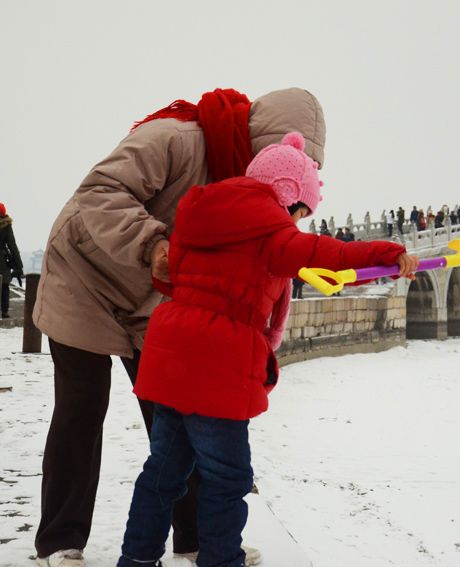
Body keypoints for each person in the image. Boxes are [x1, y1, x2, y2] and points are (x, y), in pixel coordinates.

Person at [32, 87, 326, 567]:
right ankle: (60, 541)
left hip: (154, 294)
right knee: (81, 408)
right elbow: (99, 191)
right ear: (261, 140)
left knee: (184, 409)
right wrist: (154, 244)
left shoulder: (251, 187)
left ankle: (193, 540)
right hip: (83, 275)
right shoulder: (173, 138)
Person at [117, 132, 418, 567]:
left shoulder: (200, 216)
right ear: (290, 196)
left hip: (169, 359)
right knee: (227, 476)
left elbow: (171, 276)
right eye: (300, 212)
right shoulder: (272, 234)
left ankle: (136, 560)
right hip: (216, 366)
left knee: (163, 471)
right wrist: (391, 253)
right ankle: (222, 561)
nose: (297, 222)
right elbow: (329, 255)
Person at [0, 202, 24, 318]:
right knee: (4, 285)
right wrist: (19, 266)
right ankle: (4, 311)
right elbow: (12, 246)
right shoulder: (5, 225)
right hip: (2, 261)